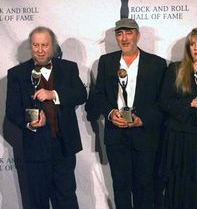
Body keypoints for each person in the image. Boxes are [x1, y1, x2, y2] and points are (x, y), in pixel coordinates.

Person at [5, 26, 87, 209]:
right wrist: (31, 120)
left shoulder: (69, 68)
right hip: (34, 148)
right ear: (30, 46)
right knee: (38, 202)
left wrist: (54, 94)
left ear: (53, 46)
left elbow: (81, 95)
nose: (40, 50)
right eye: (36, 45)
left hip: (63, 147)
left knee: (66, 200)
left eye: (44, 45)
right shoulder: (16, 74)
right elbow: (12, 111)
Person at [92, 18, 167, 209]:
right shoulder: (106, 62)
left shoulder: (157, 64)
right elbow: (98, 96)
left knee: (145, 187)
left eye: (129, 33)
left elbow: (163, 102)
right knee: (121, 187)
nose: (124, 38)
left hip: (145, 135)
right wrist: (110, 113)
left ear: (138, 35)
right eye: (119, 33)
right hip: (116, 135)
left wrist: (143, 120)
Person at [159, 27, 197, 209]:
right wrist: (190, 104)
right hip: (179, 139)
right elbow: (164, 102)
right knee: (178, 187)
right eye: (192, 44)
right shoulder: (175, 69)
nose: (196, 48)